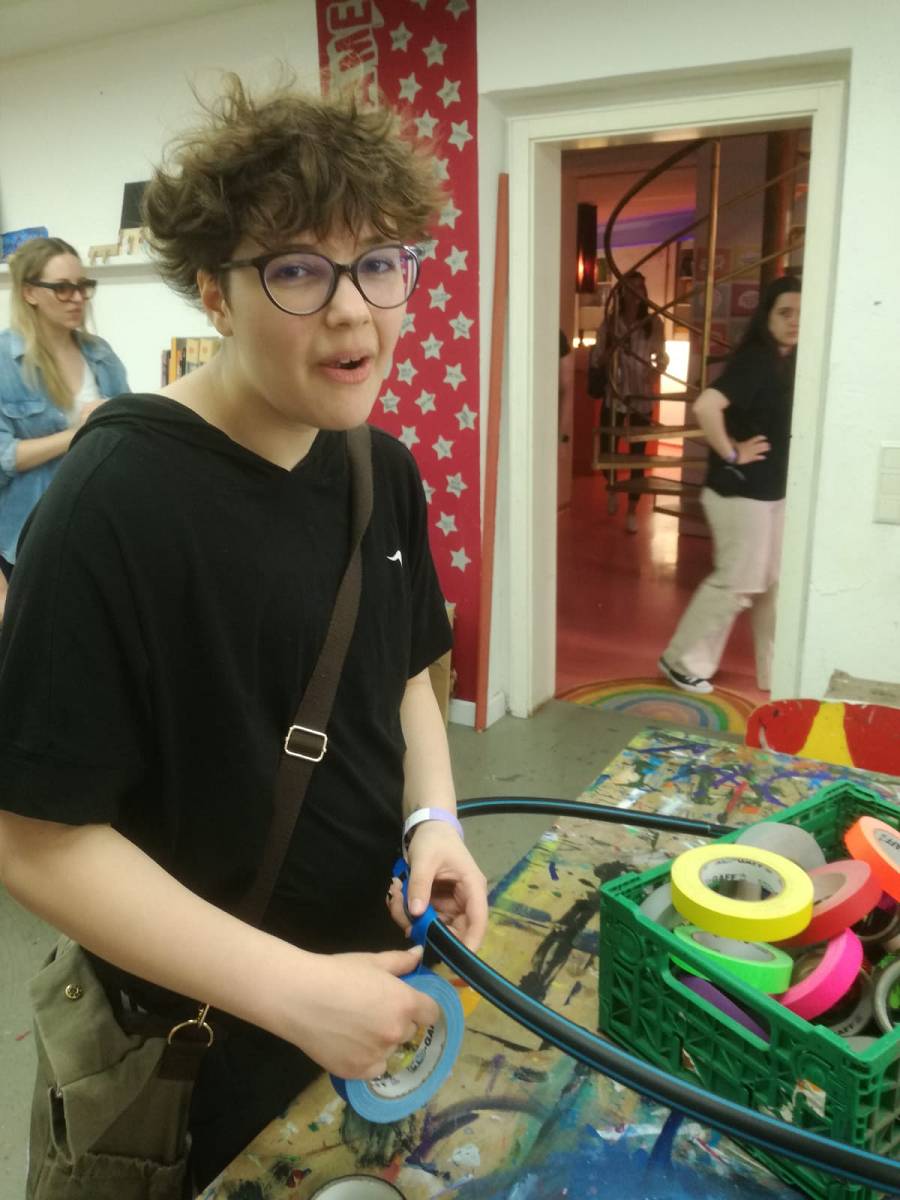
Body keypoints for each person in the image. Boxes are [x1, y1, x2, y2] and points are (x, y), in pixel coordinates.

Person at [0, 76, 488, 1193]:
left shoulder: (382, 469)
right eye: (299, 270)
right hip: (205, 1035)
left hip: (374, 985)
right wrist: (293, 992)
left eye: (379, 262)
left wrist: (434, 818)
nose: (355, 311)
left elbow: (403, 675)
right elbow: (36, 841)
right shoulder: (115, 501)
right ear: (216, 294)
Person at [658, 275, 802, 695]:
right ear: (766, 317)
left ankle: (775, 672)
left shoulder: (789, 361)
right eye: (785, 312)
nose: (794, 321)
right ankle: (680, 661)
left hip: (771, 492)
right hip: (740, 493)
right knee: (736, 584)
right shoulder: (757, 360)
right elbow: (706, 406)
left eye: (801, 313)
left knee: (772, 586)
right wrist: (733, 452)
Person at [0, 236, 128, 621]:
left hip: (97, 530)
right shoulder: (5, 363)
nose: (76, 298)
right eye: (62, 288)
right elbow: (4, 456)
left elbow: (129, 432)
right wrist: (79, 433)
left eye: (82, 286)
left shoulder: (100, 354)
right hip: (27, 539)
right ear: (29, 293)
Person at [589, 270, 668, 533]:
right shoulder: (611, 323)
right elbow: (597, 357)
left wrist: (656, 370)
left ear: (645, 293)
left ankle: (632, 509)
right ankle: (613, 487)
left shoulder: (654, 323)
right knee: (607, 450)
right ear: (622, 293)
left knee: (637, 456)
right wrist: (610, 350)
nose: (635, 294)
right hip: (615, 394)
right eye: (630, 288)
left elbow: (661, 356)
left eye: (640, 288)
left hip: (641, 397)